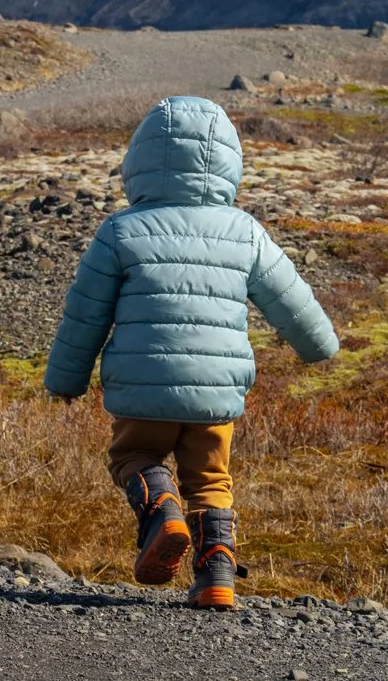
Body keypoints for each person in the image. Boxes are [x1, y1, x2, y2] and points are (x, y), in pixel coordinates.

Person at [43, 95, 339, 610]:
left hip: (142, 389)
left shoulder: (119, 232)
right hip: (217, 393)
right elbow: (292, 301)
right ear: (229, 161)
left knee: (133, 456)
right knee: (211, 479)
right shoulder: (245, 231)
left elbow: (85, 314)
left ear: (139, 162)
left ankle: (161, 510)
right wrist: (320, 347)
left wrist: (66, 380)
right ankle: (217, 576)